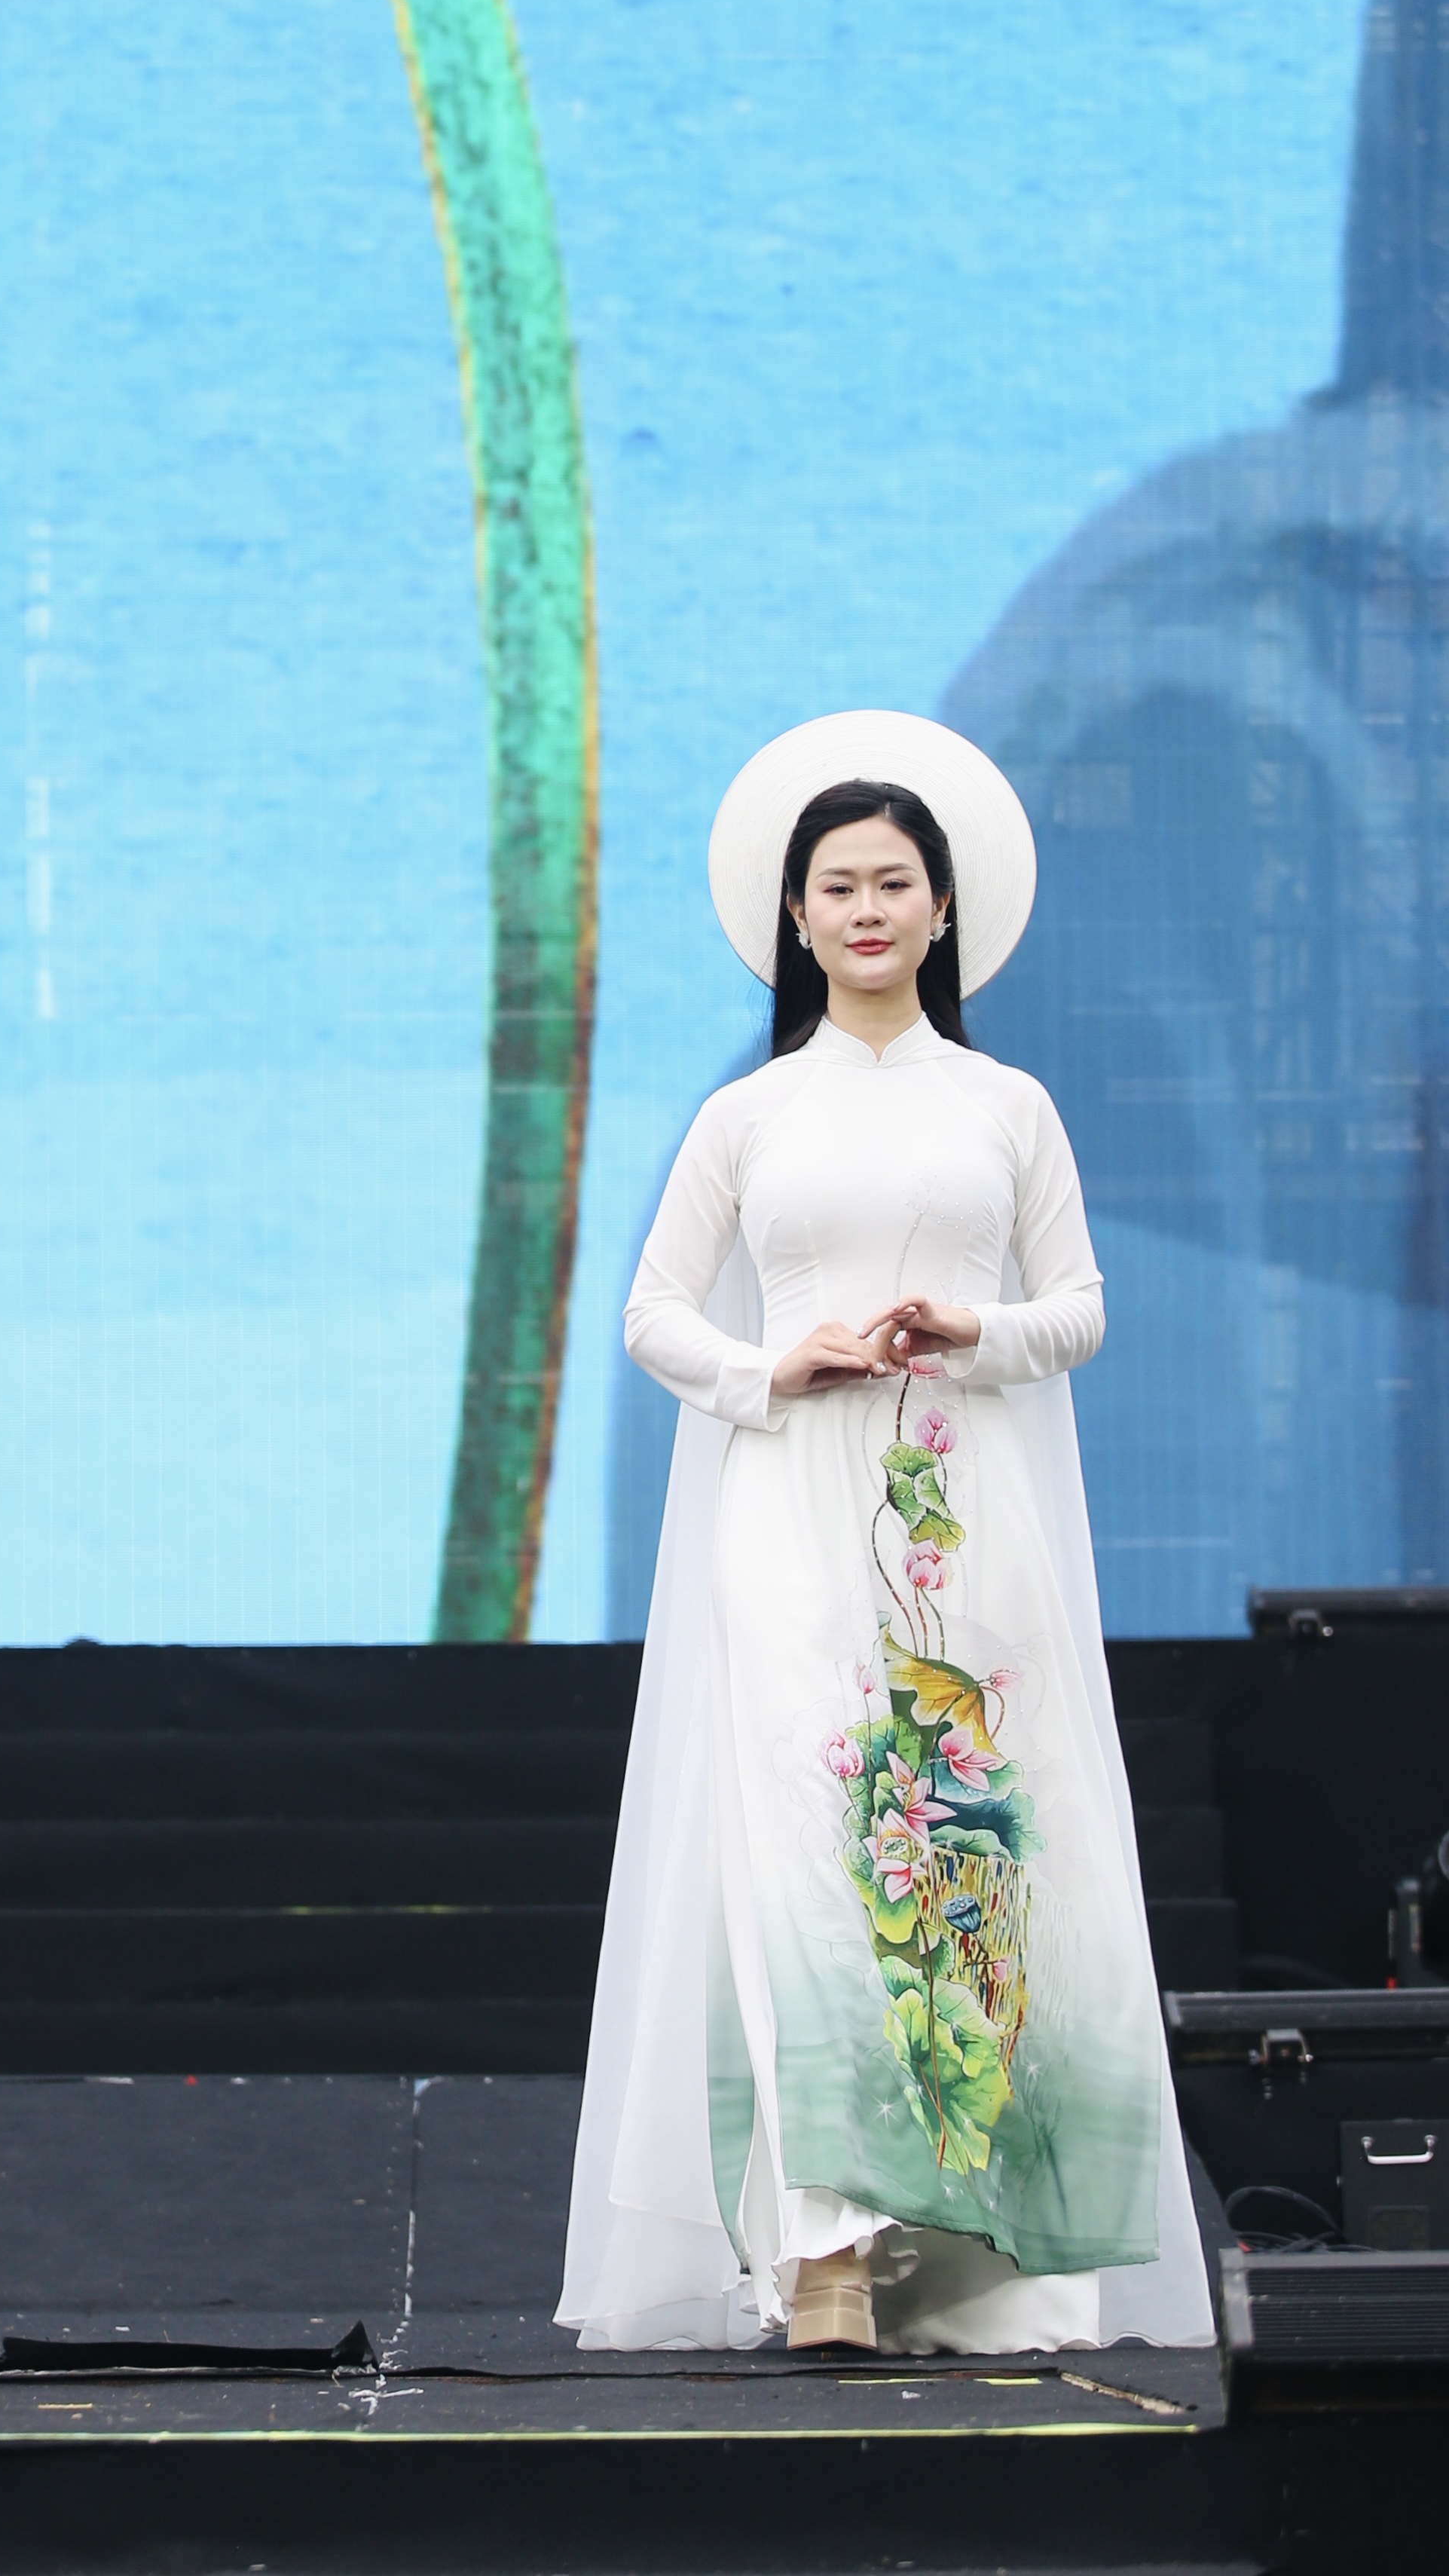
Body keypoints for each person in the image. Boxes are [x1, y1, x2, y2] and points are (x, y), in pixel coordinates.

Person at [559, 711, 1211, 2357]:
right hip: (786, 1512)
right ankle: (826, 2251)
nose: (865, 909)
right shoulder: (747, 1117)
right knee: (806, 1859)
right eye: (836, 886)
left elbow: (1080, 1308)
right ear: (792, 916)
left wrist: (974, 1331)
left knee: (969, 1855)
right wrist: (771, 1367)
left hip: (965, 1524)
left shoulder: (1007, 1105)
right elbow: (651, 1314)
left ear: (943, 909)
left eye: (893, 883)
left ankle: (979, 2253)